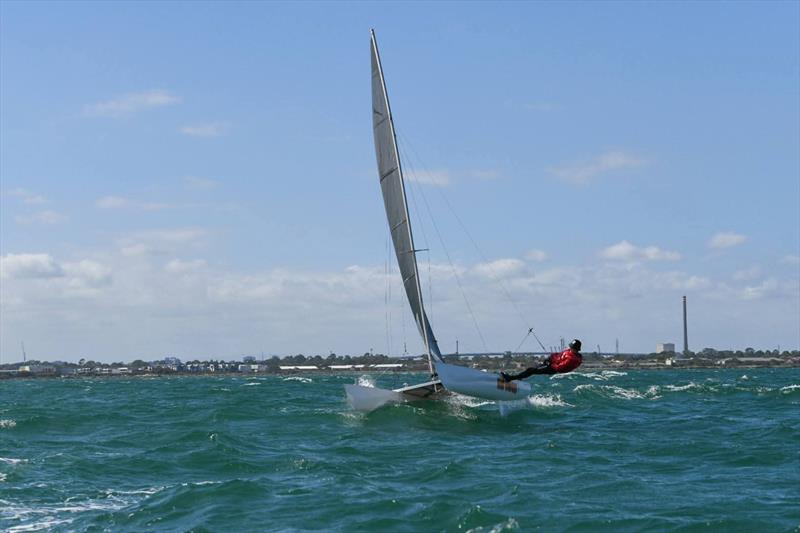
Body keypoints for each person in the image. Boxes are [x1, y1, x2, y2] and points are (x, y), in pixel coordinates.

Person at [500, 339, 583, 382]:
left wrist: (550, 364)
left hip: (552, 368)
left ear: (575, 349)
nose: (570, 348)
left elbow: (560, 368)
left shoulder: (572, 359)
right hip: (551, 364)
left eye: (572, 347)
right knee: (531, 369)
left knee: (531, 370)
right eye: (570, 346)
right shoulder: (569, 351)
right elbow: (558, 355)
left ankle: (510, 378)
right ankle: (519, 377)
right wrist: (550, 358)